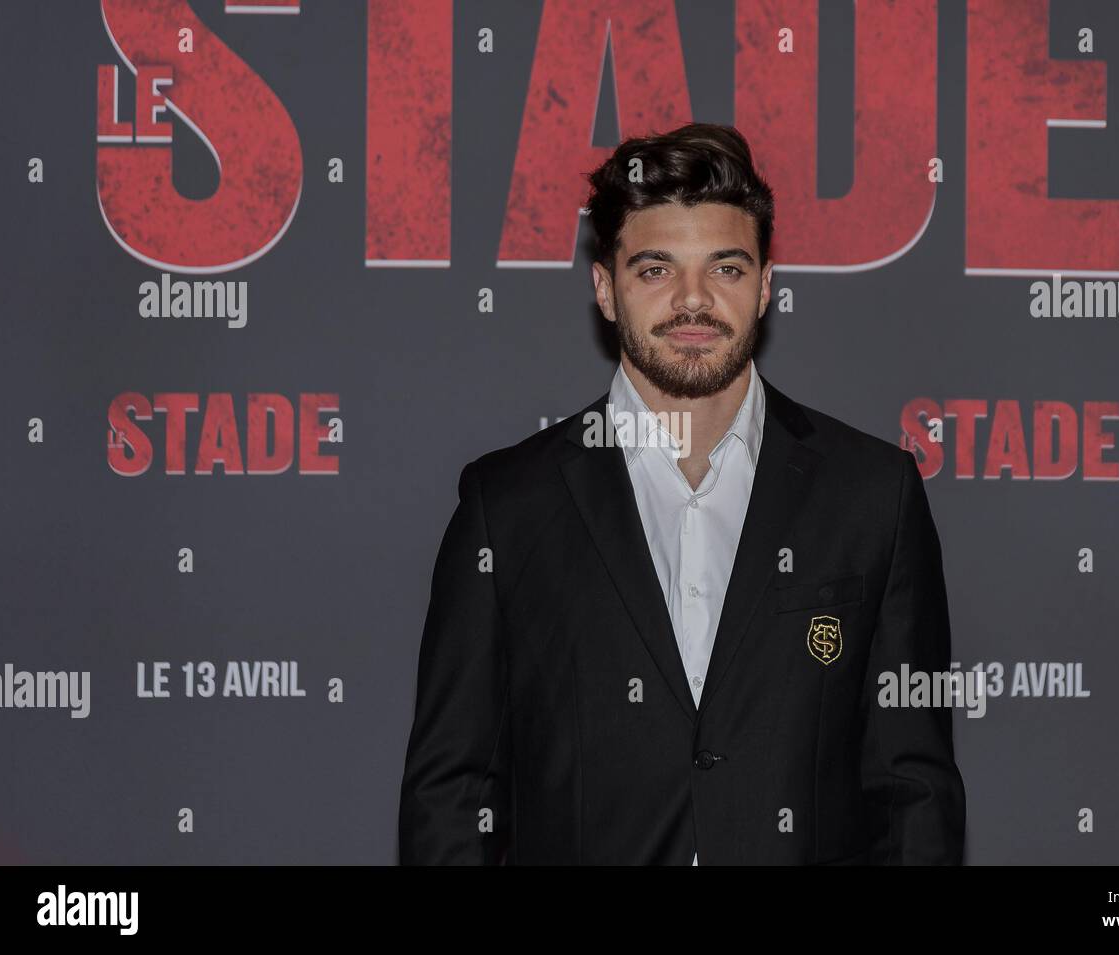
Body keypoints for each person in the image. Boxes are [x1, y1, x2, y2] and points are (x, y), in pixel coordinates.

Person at [399, 122, 965, 864]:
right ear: (605, 287)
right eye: (656, 269)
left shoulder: (872, 497)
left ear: (765, 286)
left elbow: (914, 795)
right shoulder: (506, 509)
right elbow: (452, 797)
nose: (692, 301)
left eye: (725, 269)